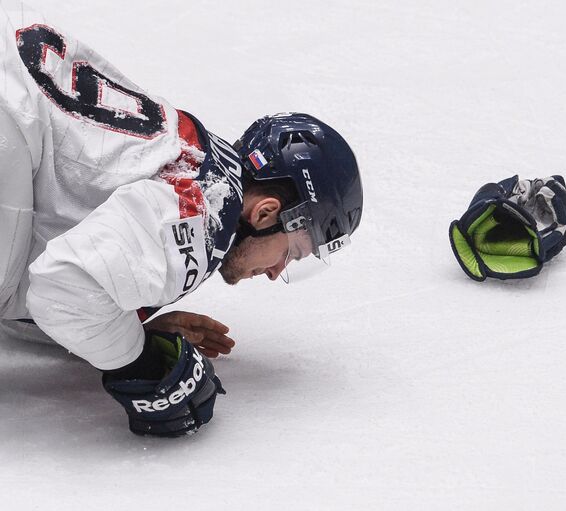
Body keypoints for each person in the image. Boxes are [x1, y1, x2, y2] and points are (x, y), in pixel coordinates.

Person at [0, 2, 363, 437]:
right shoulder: (204, 214)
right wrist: (139, 360)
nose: (275, 272)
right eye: (295, 251)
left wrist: (125, 319)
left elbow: (48, 281)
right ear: (266, 213)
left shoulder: (194, 153)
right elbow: (62, 288)